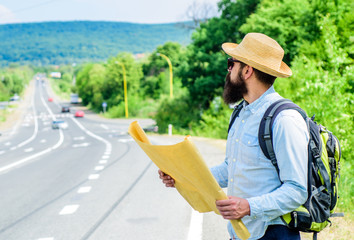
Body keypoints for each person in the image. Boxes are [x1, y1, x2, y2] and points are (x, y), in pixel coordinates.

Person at [159, 33, 309, 240]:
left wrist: (249, 207)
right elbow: (231, 169)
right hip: (240, 233)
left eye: (231, 64)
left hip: (274, 233)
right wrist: (182, 177)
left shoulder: (285, 119)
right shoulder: (240, 113)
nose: (228, 70)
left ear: (247, 70)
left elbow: (297, 190)